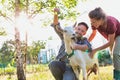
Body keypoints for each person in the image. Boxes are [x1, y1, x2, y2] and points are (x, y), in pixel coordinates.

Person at [48, 8, 92, 80]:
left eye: (82, 31)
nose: (79, 31)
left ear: (84, 33)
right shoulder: (65, 35)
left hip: (72, 67)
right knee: (53, 64)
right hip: (61, 64)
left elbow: (87, 47)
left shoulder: (83, 40)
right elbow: (56, 25)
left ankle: (72, 77)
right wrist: (55, 13)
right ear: (75, 28)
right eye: (78, 29)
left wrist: (76, 46)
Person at [88, 7, 120, 80]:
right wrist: (87, 42)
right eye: (91, 22)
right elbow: (93, 34)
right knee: (114, 55)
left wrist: (95, 50)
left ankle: (117, 77)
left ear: (101, 19)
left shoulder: (111, 23)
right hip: (111, 38)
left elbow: (110, 42)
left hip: (118, 35)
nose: (92, 24)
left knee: (115, 53)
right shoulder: (94, 24)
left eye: (94, 22)